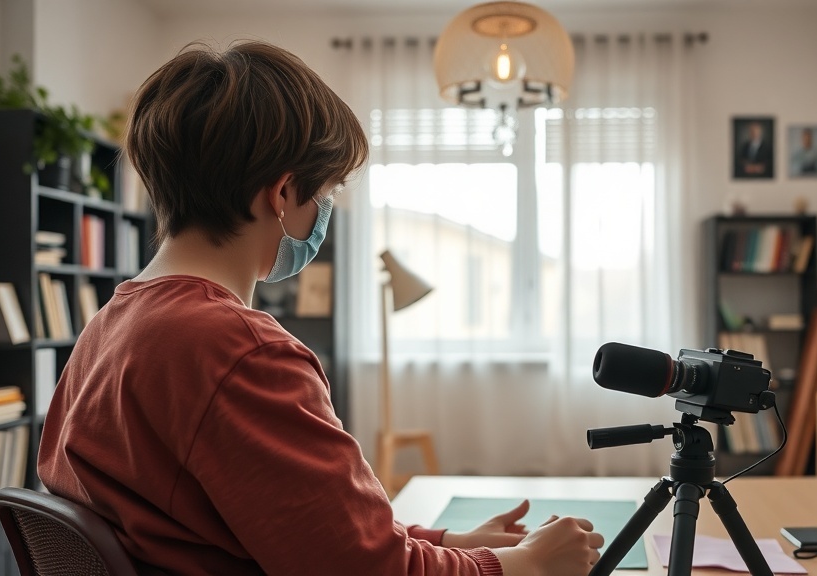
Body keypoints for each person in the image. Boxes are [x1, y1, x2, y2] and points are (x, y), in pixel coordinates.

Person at [37, 40, 603, 575]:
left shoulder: (112, 324)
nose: (324, 214)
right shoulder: (238, 350)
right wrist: (522, 565)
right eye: (324, 194)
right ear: (281, 194)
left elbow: (307, 528)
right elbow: (369, 571)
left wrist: (452, 545)